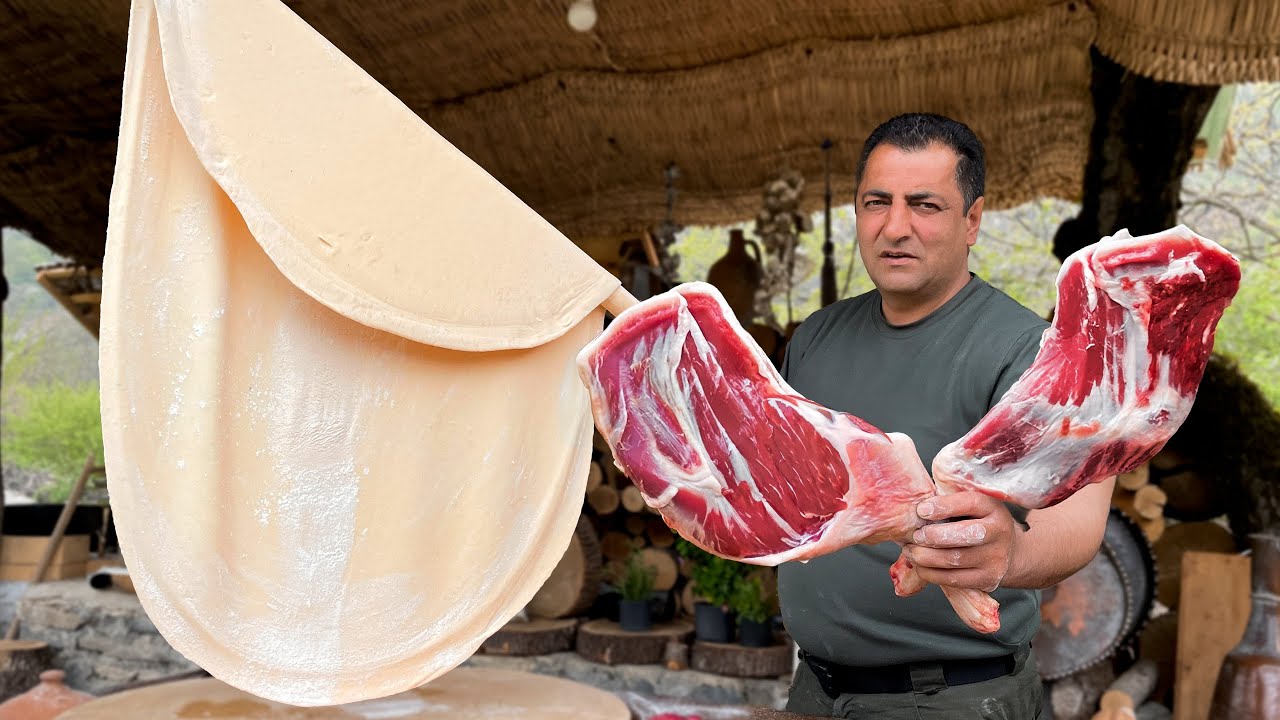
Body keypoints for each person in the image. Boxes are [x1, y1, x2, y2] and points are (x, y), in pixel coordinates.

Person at [776, 112, 1115, 718]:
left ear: (973, 220)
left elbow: (1078, 526)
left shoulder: (1031, 351)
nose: (895, 227)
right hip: (814, 687)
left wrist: (1008, 553)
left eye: (925, 205)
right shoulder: (815, 338)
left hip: (953, 695)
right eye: (876, 202)